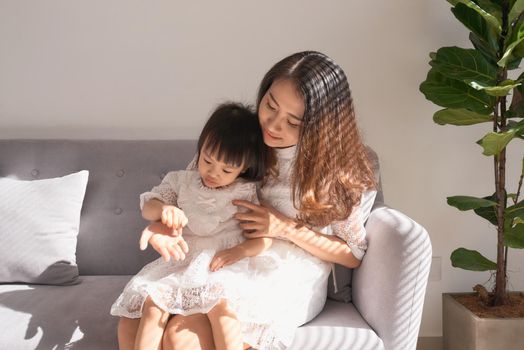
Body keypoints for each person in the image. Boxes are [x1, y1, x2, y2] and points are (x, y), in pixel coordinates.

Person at [134, 50, 378, 350]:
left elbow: (351, 254)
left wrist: (285, 227)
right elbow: (191, 194)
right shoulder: (240, 139)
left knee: (180, 339)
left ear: (320, 128)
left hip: (284, 277)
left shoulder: (340, 169)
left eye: (293, 122)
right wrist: (164, 222)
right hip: (225, 264)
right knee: (170, 334)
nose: (273, 125)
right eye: (270, 105)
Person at [112, 102, 274, 350]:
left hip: (220, 266)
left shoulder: (245, 192)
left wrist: (239, 251)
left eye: (226, 169)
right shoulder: (180, 181)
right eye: (207, 160)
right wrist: (165, 209)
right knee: (153, 303)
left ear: (244, 167)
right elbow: (149, 206)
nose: (213, 173)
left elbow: (265, 239)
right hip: (181, 263)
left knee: (222, 308)